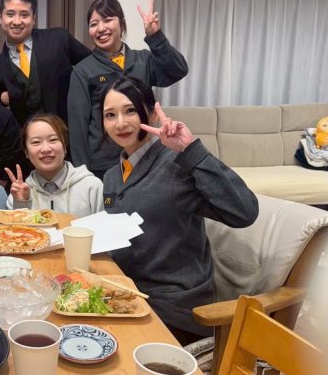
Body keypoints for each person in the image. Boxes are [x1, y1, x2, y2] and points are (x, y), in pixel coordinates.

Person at [100, 76, 258, 345]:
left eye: (130, 110)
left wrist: (191, 150)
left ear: (152, 112)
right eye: (110, 115)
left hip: (174, 309)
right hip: (127, 296)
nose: (120, 123)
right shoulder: (112, 177)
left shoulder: (178, 161)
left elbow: (245, 211)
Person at [68, 0, 189, 179]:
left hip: (145, 158)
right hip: (103, 166)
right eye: (93, 24)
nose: (100, 28)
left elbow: (178, 70)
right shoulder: (83, 70)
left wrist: (155, 36)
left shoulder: (143, 60)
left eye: (107, 20)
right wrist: (82, 175)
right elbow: (78, 126)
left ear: (121, 23)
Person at [0, 0, 90, 126]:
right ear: (0, 17)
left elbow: (91, 65)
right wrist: (2, 97)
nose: (17, 21)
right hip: (28, 137)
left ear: (33, 18)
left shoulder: (59, 39)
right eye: (10, 14)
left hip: (69, 132)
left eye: (24, 14)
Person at [5, 114, 104, 218]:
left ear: (65, 146)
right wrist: (21, 204)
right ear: (26, 152)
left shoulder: (91, 187)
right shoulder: (18, 194)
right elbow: (13, 228)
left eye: (53, 140)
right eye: (36, 142)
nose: (46, 149)